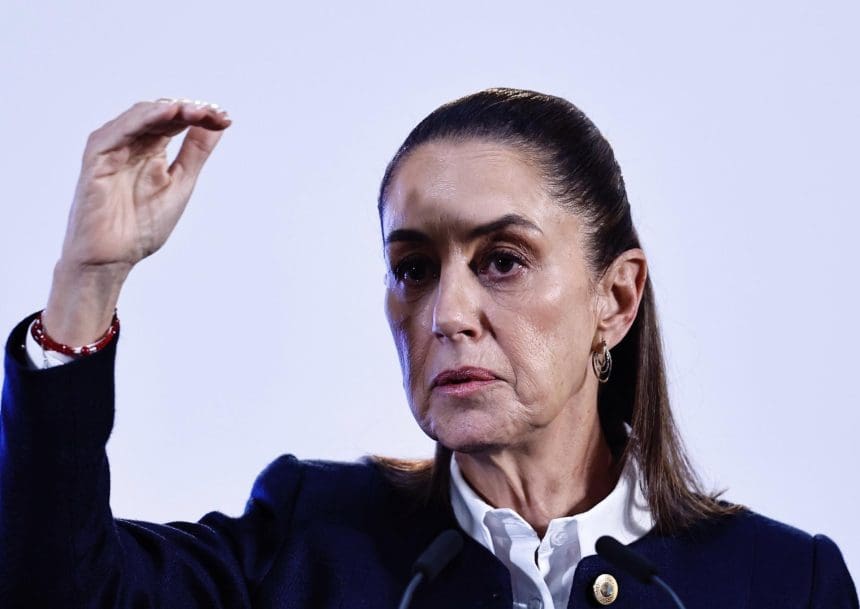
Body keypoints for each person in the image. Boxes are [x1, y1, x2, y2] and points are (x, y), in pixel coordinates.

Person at [0, 88, 856, 609]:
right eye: (413, 267)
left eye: (503, 260)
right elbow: (58, 590)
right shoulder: (309, 540)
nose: (447, 313)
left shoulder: (787, 582)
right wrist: (87, 281)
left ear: (616, 298)